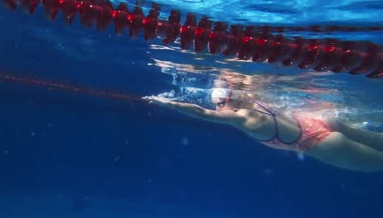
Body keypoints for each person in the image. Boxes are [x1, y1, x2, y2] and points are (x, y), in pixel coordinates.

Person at [143, 78, 383, 172]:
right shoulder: (255, 98)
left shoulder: (246, 116)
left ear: (229, 100)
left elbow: (203, 114)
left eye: (219, 103)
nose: (217, 108)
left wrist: (168, 103)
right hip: (318, 120)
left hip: (320, 143)